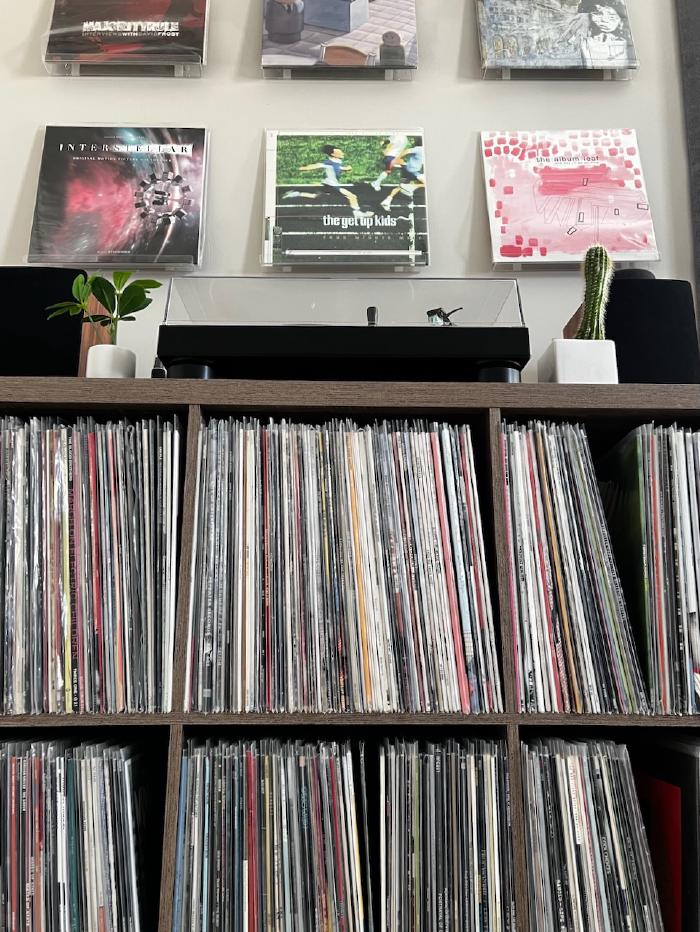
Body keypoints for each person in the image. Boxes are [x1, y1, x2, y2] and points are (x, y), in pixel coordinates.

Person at [282, 144, 373, 219]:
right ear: (333, 154)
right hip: (331, 185)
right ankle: (357, 213)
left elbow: (337, 168)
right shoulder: (328, 163)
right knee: (352, 196)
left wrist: (345, 169)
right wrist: (301, 168)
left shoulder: (338, 161)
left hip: (327, 184)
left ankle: (295, 194)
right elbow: (317, 165)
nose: (342, 152)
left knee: (315, 196)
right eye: (339, 152)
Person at [561, 0, 631, 67]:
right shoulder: (584, 36)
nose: (604, 20)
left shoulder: (625, 40)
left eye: (611, 16)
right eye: (597, 14)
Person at [379, 144, 425, 212]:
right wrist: (397, 158)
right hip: (415, 171)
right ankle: (411, 186)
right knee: (427, 184)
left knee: (400, 187)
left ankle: (387, 200)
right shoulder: (420, 149)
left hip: (410, 170)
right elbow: (406, 151)